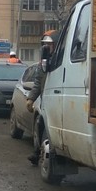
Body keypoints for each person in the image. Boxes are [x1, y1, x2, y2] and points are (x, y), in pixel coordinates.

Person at [26, 31, 57, 164]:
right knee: (40, 124)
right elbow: (38, 82)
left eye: (49, 45)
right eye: (44, 45)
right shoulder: (43, 64)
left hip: (57, 100)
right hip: (46, 102)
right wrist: (30, 98)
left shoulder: (59, 61)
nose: (46, 48)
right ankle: (37, 152)